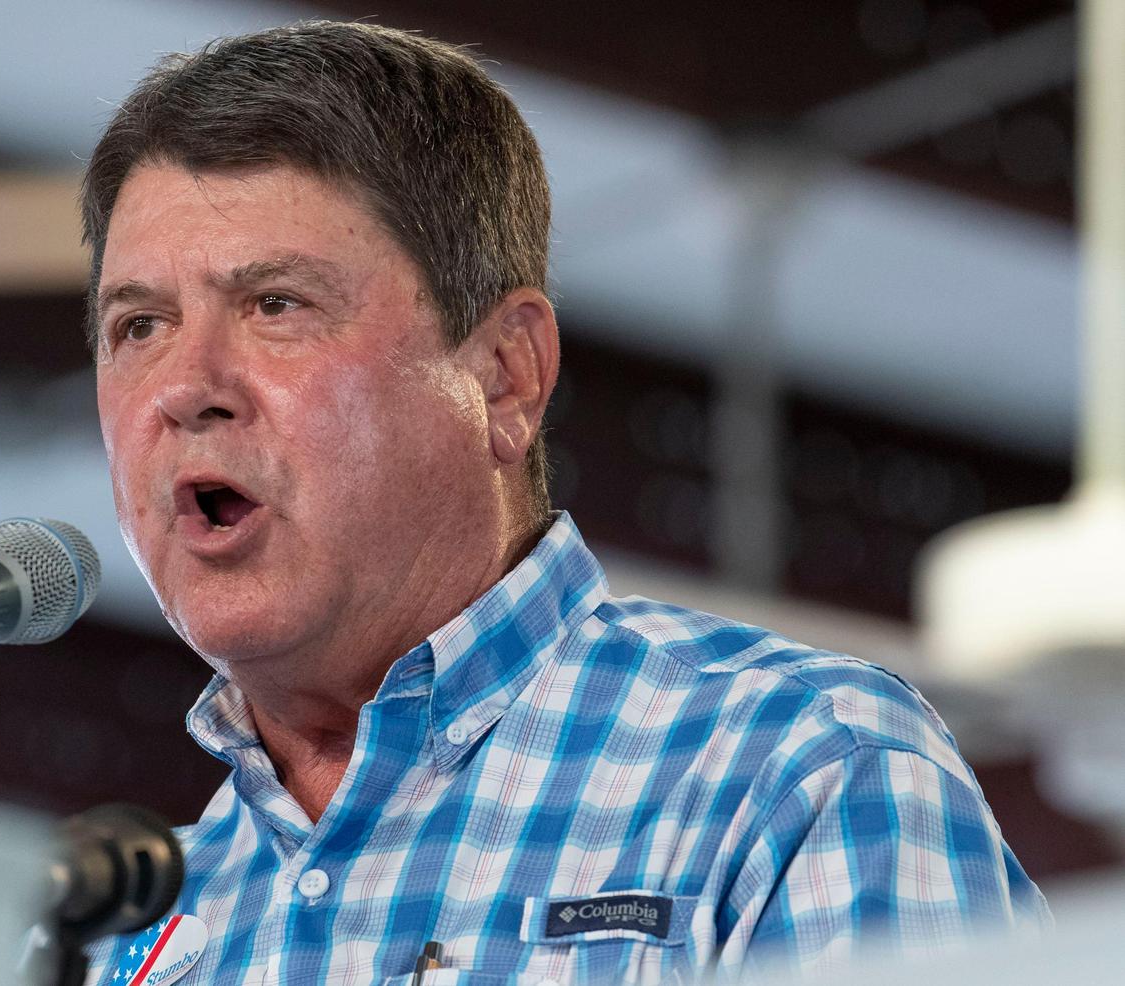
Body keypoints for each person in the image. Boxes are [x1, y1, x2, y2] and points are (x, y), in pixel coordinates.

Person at [79, 21, 1050, 986]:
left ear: (505, 376)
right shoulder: (131, 928)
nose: (183, 384)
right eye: (139, 324)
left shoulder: (800, 769)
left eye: (275, 304)